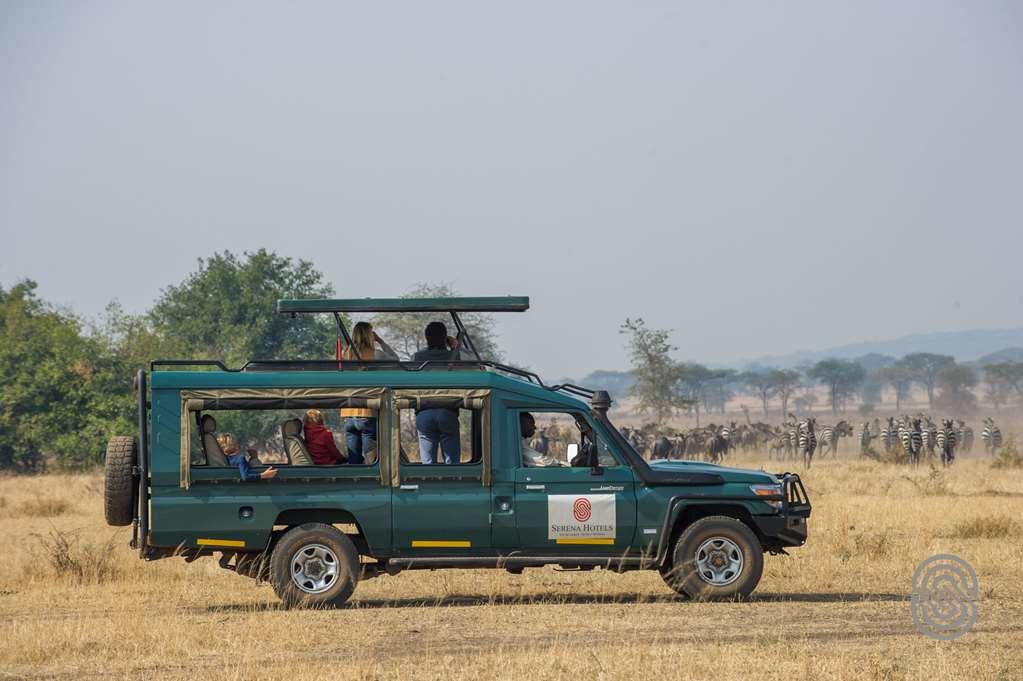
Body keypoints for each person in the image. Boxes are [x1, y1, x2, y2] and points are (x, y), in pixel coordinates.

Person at [340, 322, 397, 464]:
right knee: (372, 460)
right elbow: (396, 360)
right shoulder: (376, 354)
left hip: (348, 412)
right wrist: (381, 341)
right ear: (370, 335)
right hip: (368, 412)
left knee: (354, 460)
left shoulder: (345, 353)